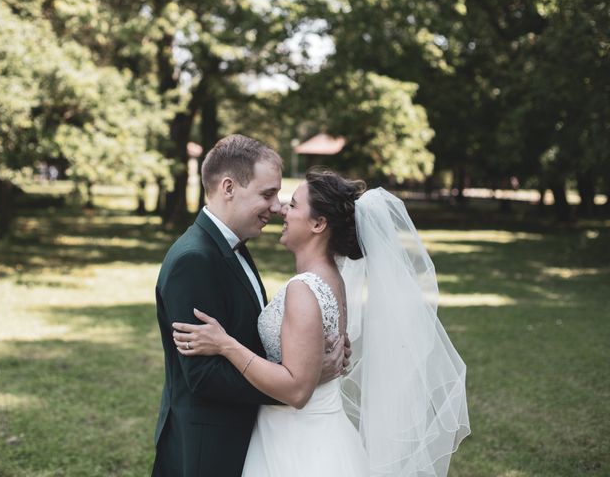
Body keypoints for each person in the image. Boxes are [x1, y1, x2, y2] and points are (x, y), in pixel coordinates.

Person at [173, 169, 471, 476]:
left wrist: (226, 345)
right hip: (315, 429)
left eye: (294, 205)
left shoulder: (305, 289)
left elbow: (296, 391)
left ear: (318, 223)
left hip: (298, 440)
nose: (281, 211)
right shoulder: (332, 279)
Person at [151, 136, 347, 477]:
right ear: (229, 187)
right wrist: (301, 383)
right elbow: (203, 376)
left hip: (252, 439)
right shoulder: (194, 259)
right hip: (208, 447)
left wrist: (306, 360)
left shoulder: (234, 246)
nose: (276, 207)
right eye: (267, 194)